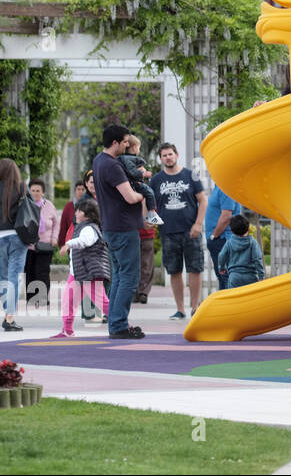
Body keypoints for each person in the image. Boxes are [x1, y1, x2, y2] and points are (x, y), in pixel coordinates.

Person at [92, 125, 146, 340]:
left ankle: (115, 323)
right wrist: (143, 195)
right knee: (129, 278)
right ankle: (119, 324)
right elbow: (130, 197)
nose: (127, 145)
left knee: (119, 277)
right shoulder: (112, 165)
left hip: (110, 227)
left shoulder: (98, 160)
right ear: (115, 143)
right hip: (123, 228)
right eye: (124, 142)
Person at [150, 142, 208, 320]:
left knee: (195, 269)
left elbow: (203, 200)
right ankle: (180, 309)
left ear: (176, 155)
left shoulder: (191, 175)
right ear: (161, 159)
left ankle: (195, 308)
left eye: (170, 154)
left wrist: (198, 224)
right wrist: (150, 221)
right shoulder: (156, 180)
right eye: (164, 155)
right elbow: (149, 204)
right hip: (168, 232)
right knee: (174, 271)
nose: (168, 158)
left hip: (191, 231)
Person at [51, 199, 111, 338]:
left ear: (88, 214)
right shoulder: (81, 227)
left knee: (101, 301)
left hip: (90, 273)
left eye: (79, 210)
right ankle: (67, 330)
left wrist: (68, 244)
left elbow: (85, 241)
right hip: (77, 273)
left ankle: (122, 324)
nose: (76, 213)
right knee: (68, 300)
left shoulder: (89, 229)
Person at [0, 158, 27, 332]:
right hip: (18, 236)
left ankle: (7, 311)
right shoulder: (21, 188)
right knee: (13, 278)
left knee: (2, 278)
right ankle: (9, 318)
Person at [24, 178, 58, 311]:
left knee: (42, 272)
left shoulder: (49, 205)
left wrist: (54, 238)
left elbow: (56, 224)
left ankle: (43, 298)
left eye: (38, 190)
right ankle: (32, 298)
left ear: (43, 192)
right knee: (30, 271)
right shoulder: (25, 205)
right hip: (29, 245)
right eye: (33, 190)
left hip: (45, 245)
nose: (35, 193)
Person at [118, 134, 164, 228]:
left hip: (131, 184)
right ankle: (152, 214)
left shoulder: (123, 158)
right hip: (134, 183)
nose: (139, 150)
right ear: (134, 147)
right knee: (149, 192)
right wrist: (143, 174)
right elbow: (132, 171)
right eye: (139, 148)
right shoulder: (128, 159)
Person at [204, 184, 243, 291]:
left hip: (223, 239)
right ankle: (224, 302)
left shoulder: (226, 188)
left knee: (226, 277)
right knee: (223, 277)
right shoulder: (220, 186)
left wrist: (214, 236)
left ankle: (230, 302)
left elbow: (226, 216)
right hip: (219, 240)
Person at [217, 215, 265, 289]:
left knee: (234, 295)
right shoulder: (253, 243)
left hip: (234, 277)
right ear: (248, 229)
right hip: (251, 277)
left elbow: (221, 256)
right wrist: (261, 276)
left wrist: (222, 268)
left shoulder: (229, 243)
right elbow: (257, 259)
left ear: (231, 230)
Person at [57, 178, 87, 251]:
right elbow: (63, 226)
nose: (80, 192)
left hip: (87, 243)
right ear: (75, 191)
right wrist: (61, 244)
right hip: (71, 244)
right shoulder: (69, 206)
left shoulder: (91, 205)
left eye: (83, 189)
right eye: (78, 189)